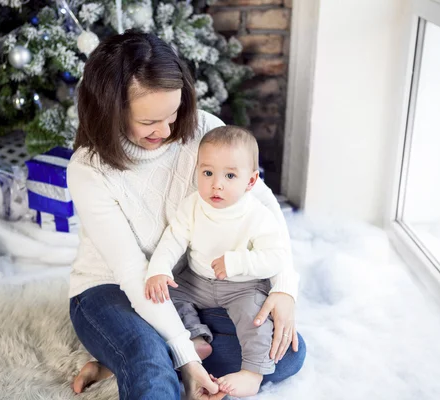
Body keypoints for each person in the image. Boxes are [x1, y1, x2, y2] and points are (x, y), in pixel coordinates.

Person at [67, 30, 306, 400]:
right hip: (111, 288)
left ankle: (123, 358)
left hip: (187, 287)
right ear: (110, 110)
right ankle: (144, 354)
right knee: (150, 362)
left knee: (286, 353)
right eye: (148, 122)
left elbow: (264, 208)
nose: (165, 130)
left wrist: (285, 288)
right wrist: (188, 361)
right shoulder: (88, 169)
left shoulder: (204, 129)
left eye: (173, 113)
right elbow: (133, 274)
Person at [145, 125, 288, 397]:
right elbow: (173, 238)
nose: (216, 184)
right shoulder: (192, 205)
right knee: (164, 297)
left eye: (230, 175)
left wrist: (237, 263)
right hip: (197, 280)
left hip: (243, 287)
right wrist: (159, 270)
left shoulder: (257, 216)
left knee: (256, 320)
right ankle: (195, 337)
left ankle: (252, 373)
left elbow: (276, 258)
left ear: (250, 181)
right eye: (207, 173)